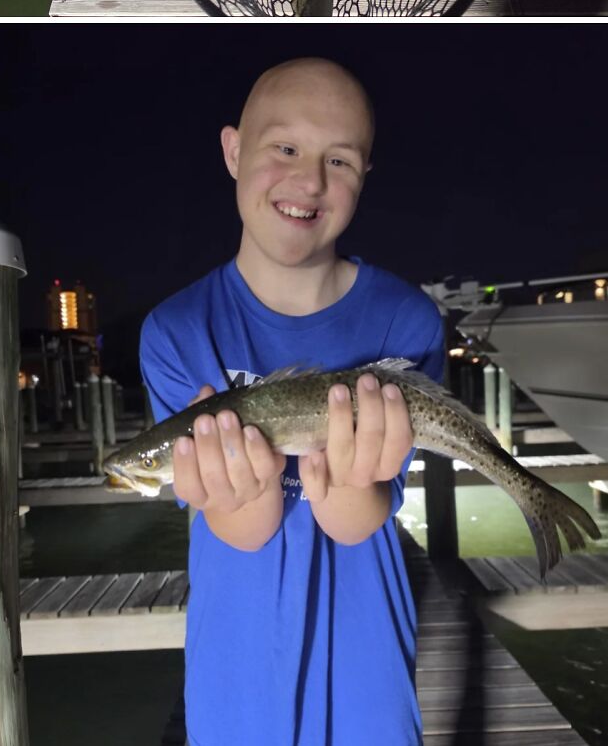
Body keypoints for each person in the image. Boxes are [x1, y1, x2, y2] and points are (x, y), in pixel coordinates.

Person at [141, 58, 444, 746]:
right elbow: (240, 528)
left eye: (339, 159)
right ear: (232, 149)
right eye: (285, 147)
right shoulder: (177, 329)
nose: (309, 180)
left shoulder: (407, 317)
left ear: (364, 175)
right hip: (235, 674)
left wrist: (351, 479)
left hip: (368, 673)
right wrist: (237, 490)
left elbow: (359, 517)